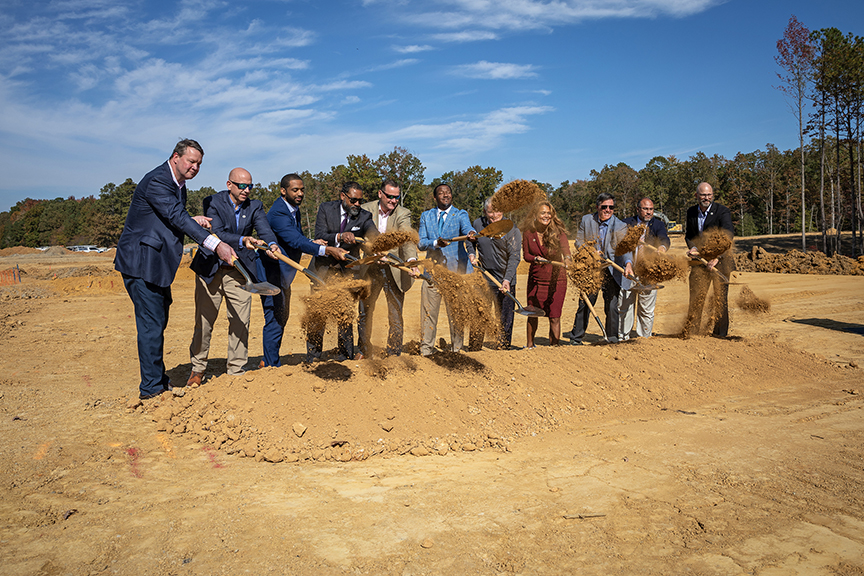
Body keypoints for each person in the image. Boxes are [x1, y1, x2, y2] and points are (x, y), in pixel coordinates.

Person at [115, 139, 236, 400]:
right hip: (141, 262)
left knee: (157, 321)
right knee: (151, 324)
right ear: (175, 157)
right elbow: (175, 216)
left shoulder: (177, 185)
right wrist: (216, 245)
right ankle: (151, 390)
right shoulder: (158, 180)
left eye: (199, 164)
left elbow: (169, 215)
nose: (195, 167)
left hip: (156, 264)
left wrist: (192, 219)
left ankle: (157, 380)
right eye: (191, 161)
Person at [186, 168, 279, 386]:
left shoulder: (254, 206)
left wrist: (271, 245)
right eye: (242, 186)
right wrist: (242, 239)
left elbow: (264, 230)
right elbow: (216, 232)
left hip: (239, 272)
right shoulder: (213, 202)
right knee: (204, 322)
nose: (246, 190)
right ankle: (197, 369)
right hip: (211, 269)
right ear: (230, 185)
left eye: (250, 186)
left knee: (240, 320)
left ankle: (236, 368)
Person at [257, 174, 347, 368]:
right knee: (274, 319)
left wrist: (311, 242)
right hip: (272, 274)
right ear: (283, 191)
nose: (300, 193)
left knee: (281, 317)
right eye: (295, 190)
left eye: (302, 189)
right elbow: (293, 240)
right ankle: (272, 365)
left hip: (283, 276)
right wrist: (326, 249)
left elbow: (296, 236)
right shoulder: (279, 213)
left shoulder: (293, 209)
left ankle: (270, 359)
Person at [306, 181, 376, 362]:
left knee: (345, 314)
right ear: (343, 196)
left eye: (360, 201)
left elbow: (372, 232)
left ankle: (344, 355)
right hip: (322, 270)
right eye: (353, 200)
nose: (357, 205)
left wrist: (379, 242)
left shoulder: (365, 216)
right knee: (317, 313)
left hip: (347, 273)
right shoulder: (326, 209)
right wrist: (339, 236)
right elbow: (319, 234)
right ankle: (313, 357)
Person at [357, 179, 418, 358]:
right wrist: (372, 251)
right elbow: (359, 236)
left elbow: (406, 237)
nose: (393, 200)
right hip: (370, 268)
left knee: (395, 313)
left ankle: (394, 352)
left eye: (396, 197)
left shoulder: (402, 213)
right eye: (389, 196)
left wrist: (412, 261)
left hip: (394, 269)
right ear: (380, 194)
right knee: (364, 311)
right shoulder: (366, 209)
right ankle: (364, 349)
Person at [565, 192, 633, 345]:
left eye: (611, 207)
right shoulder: (587, 220)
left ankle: (612, 338)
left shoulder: (620, 225)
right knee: (586, 303)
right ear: (597, 207)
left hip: (611, 269)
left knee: (612, 305)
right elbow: (578, 242)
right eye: (604, 207)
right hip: (592, 269)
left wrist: (628, 264)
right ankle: (576, 338)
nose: (608, 210)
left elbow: (625, 248)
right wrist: (590, 251)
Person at [417, 183, 476, 356]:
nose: (445, 195)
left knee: (456, 314)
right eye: (441, 193)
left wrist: (471, 233)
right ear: (435, 198)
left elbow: (467, 229)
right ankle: (426, 351)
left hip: (456, 274)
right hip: (433, 274)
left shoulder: (460, 214)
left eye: (448, 192)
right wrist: (435, 243)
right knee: (428, 314)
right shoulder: (426, 216)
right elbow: (421, 243)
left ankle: (457, 350)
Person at [467, 197, 522, 350]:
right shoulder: (478, 224)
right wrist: (472, 254)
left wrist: (507, 279)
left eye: (498, 212)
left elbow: (515, 256)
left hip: (505, 279)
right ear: (485, 211)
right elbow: (469, 241)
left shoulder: (511, 229)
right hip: (484, 278)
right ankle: (475, 348)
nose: (494, 216)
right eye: (491, 212)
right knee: (479, 314)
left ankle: (503, 348)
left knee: (505, 317)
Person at [683, 182, 735, 337]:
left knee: (720, 300)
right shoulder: (691, 212)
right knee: (696, 297)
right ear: (696, 196)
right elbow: (689, 235)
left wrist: (717, 257)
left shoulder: (722, 211)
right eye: (703, 195)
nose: (707, 198)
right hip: (699, 262)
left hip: (721, 262)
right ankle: (693, 332)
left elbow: (728, 236)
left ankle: (719, 335)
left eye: (709, 194)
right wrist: (692, 247)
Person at [618, 197, 671, 340]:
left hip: (648, 272)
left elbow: (664, 238)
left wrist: (662, 247)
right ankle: (623, 337)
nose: (649, 212)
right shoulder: (625, 223)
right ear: (638, 209)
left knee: (646, 309)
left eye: (651, 209)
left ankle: (644, 338)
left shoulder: (658, 224)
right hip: (628, 270)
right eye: (645, 209)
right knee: (625, 306)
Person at [521, 201, 571, 348]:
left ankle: (554, 347)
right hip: (536, 279)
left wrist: (567, 259)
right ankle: (529, 345)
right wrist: (535, 259)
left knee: (554, 316)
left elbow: (566, 250)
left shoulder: (558, 231)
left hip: (557, 279)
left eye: (549, 213)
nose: (546, 216)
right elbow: (526, 255)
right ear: (535, 215)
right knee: (533, 313)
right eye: (543, 213)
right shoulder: (528, 233)